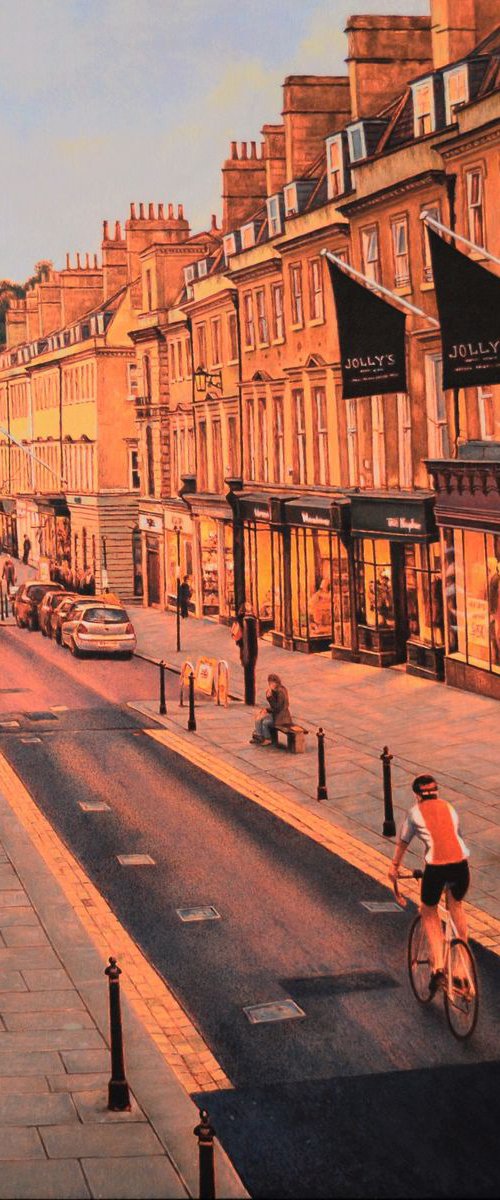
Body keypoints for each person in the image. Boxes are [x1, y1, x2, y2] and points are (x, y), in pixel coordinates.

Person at [389, 774, 470, 995]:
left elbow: (403, 842)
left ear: (417, 795)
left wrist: (394, 868)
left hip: (437, 868)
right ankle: (463, 968)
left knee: (428, 911)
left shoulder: (414, 813)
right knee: (457, 906)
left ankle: (439, 969)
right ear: (436, 791)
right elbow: (456, 838)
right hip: (461, 866)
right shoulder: (450, 807)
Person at [250, 673, 292, 746]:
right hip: (277, 715)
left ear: (276, 682)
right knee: (259, 718)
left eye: (271, 683)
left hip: (281, 718)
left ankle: (267, 739)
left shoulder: (281, 692)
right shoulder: (275, 690)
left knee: (265, 722)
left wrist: (269, 699)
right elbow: (274, 707)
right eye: (269, 683)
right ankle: (259, 736)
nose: (270, 685)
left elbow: (278, 707)